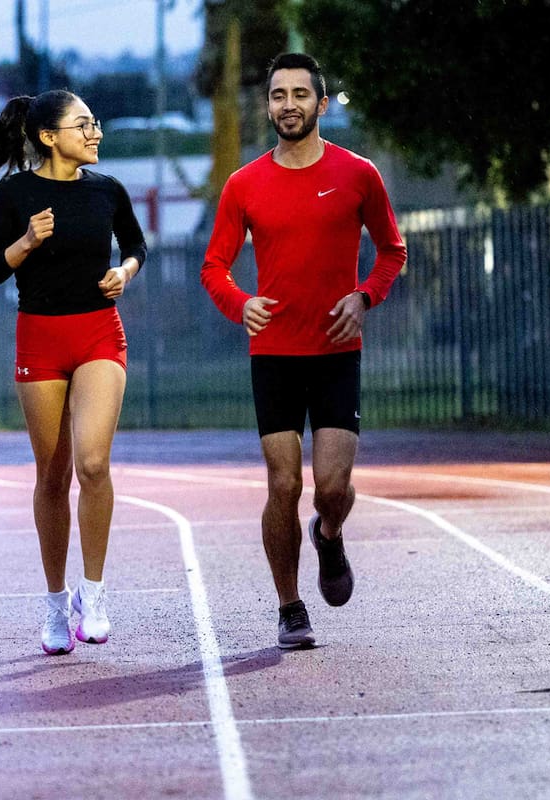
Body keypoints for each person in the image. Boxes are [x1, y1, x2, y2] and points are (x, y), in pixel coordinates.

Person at [200, 53, 407, 649]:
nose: (286, 104)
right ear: (268, 105)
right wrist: (241, 304)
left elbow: (392, 250)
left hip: (338, 350)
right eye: (276, 95)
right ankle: (290, 606)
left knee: (332, 486)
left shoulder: (358, 174)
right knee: (283, 484)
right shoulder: (244, 184)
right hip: (274, 353)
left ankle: (330, 533)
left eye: (298, 94)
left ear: (321, 103)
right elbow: (214, 266)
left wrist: (365, 297)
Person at [0, 90, 147, 655]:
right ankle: (55, 603)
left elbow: (137, 244)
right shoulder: (13, 193)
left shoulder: (107, 190)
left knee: (94, 464)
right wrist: (25, 242)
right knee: (53, 475)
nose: (95, 133)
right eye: (83, 125)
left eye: (96, 123)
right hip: (40, 340)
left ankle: (92, 595)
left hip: (99, 332)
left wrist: (125, 270)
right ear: (49, 137)